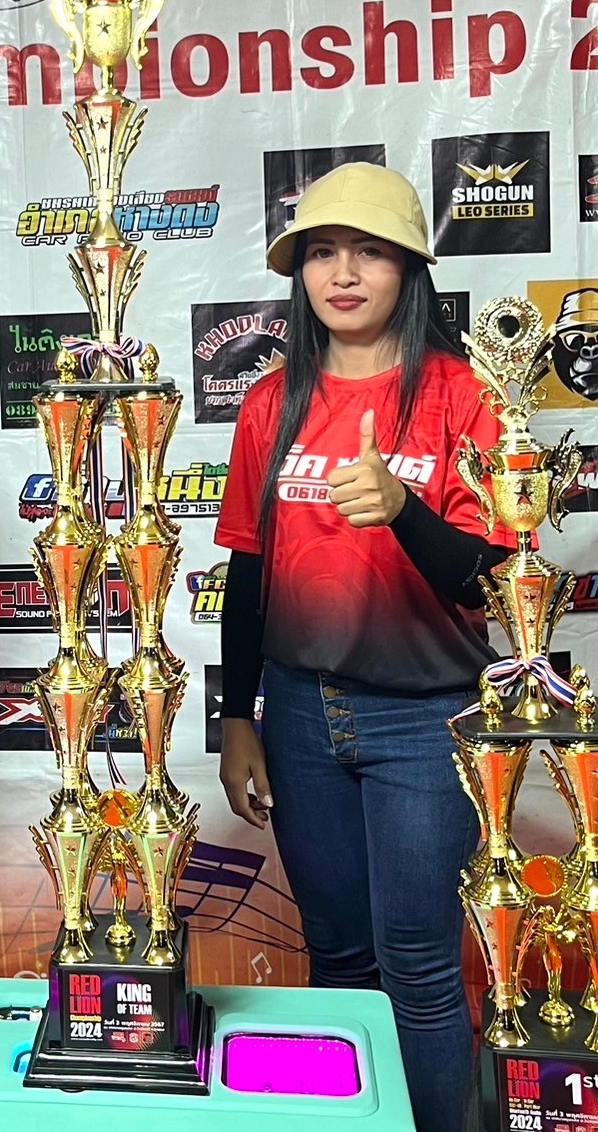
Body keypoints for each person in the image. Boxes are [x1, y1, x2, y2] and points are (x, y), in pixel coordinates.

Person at [215, 162, 511, 1132]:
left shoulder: (464, 395)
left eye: (369, 252)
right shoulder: (271, 403)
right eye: (322, 252)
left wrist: (403, 509)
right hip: (299, 716)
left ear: (409, 268)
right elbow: (249, 572)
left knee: (418, 963)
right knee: (337, 956)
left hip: (428, 717)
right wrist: (237, 716)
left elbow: (489, 577)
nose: (342, 274)